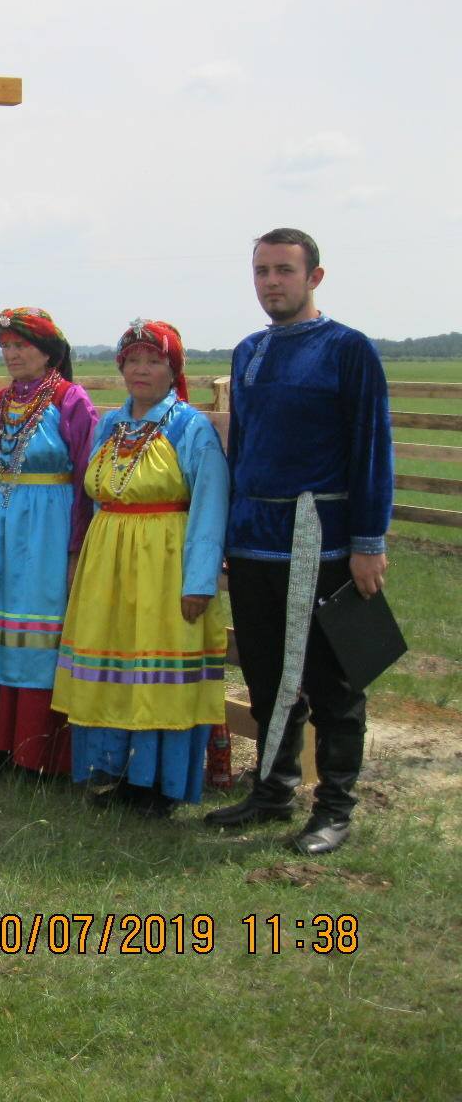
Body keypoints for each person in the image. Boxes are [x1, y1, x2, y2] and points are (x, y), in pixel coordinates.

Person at [205, 229, 393, 854]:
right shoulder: (249, 352)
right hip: (257, 541)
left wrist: (368, 540)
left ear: (314, 277)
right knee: (264, 674)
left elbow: (371, 447)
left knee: (334, 679)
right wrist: (232, 532)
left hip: (326, 539)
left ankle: (335, 806)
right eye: (261, 271)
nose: (270, 282)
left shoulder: (348, 350)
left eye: (284, 270)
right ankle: (272, 787)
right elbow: (246, 450)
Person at [52, 320, 229, 814]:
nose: (142, 370)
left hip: (163, 563)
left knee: (154, 671)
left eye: (154, 361)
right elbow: (90, 499)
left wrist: (199, 581)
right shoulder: (112, 425)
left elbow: (210, 505)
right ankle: (118, 770)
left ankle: (160, 784)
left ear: (173, 371)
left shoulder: (189, 427)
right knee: (115, 667)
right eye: (133, 361)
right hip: (108, 560)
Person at [0, 307, 97, 773]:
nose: (12, 355)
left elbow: (85, 481)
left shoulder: (73, 402)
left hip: (47, 529)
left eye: (22, 346)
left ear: (48, 352)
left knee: (37, 623)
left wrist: (76, 545)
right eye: (7, 347)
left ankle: (35, 748)